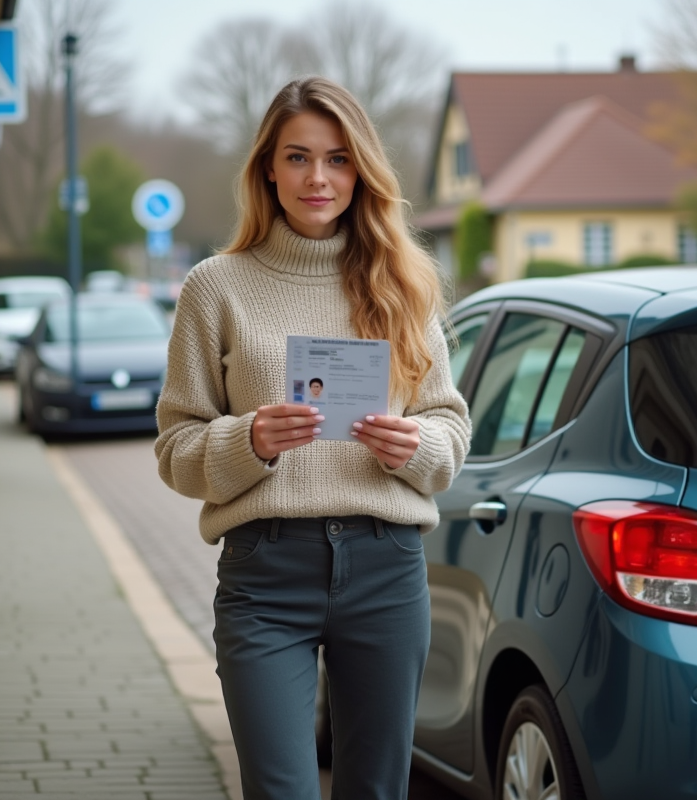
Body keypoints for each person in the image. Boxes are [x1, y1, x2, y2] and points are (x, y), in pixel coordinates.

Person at [154, 76, 471, 800]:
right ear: (268, 168)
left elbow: (449, 429)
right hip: (266, 572)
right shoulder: (215, 286)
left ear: (361, 170)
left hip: (387, 567)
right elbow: (175, 451)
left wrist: (414, 447)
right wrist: (250, 441)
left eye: (337, 159)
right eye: (297, 157)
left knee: (376, 789)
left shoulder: (404, 283)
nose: (318, 178)